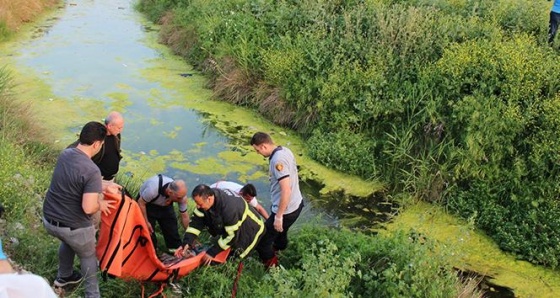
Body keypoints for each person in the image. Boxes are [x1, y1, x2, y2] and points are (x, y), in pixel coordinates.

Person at [42, 121, 116, 298]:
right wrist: (102, 204)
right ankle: (92, 294)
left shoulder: (66, 154)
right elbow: (89, 207)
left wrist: (103, 186)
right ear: (97, 144)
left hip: (49, 220)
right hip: (73, 226)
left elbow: (75, 181)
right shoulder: (92, 170)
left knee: (68, 240)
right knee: (88, 256)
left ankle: (64, 277)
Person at [250, 132, 304, 267]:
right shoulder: (285, 150)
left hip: (286, 210)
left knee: (262, 241)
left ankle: (271, 267)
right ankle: (279, 250)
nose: (258, 153)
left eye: (257, 150)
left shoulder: (277, 161)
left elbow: (286, 189)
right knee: (281, 232)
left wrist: (279, 216)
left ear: (263, 146)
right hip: (296, 204)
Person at [175, 184, 265, 265]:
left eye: (199, 204)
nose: (197, 206)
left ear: (209, 199)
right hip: (234, 224)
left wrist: (212, 252)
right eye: (196, 203)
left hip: (250, 228)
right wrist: (187, 242)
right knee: (220, 249)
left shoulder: (228, 209)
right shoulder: (207, 199)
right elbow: (196, 223)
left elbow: (231, 236)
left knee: (234, 257)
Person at [137, 175, 189, 252]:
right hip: (146, 205)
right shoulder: (153, 189)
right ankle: (152, 251)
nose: (181, 200)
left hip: (165, 205)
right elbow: (141, 203)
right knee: (148, 231)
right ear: (170, 192)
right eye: (178, 198)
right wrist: (146, 222)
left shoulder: (180, 196)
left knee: (171, 228)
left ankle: (175, 251)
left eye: (183, 196)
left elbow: (184, 216)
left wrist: (190, 234)